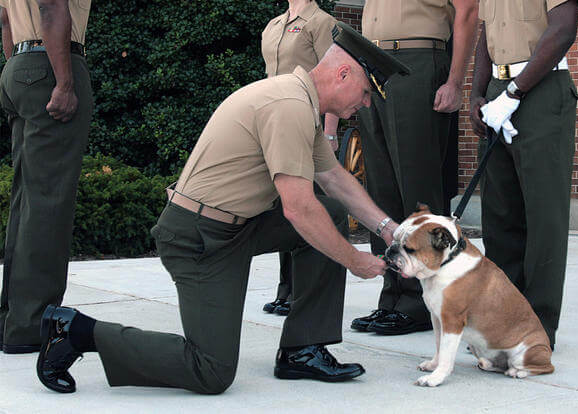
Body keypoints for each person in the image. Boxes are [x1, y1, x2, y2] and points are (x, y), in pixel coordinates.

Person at [36, 22, 410, 395]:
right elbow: (298, 209)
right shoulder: (289, 106)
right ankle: (75, 331)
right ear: (343, 73)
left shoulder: (299, 101)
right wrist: (354, 261)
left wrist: (389, 229)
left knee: (328, 212)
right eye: (365, 93)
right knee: (211, 370)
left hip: (237, 228)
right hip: (198, 239)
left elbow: (333, 178)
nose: (364, 104)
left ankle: (303, 349)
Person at [351, 0, 478, 335]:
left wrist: (455, 81)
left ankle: (420, 303)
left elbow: (468, 11)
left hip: (418, 61)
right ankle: (392, 295)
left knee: (416, 184)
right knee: (382, 187)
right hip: (373, 62)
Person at [469, 0, 578, 350]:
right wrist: (477, 92)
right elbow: (486, 38)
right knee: (500, 217)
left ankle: (537, 332)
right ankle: (502, 325)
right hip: (498, 92)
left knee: (543, 217)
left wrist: (515, 92)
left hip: (541, 89)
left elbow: (563, 29)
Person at [0, 0, 93, 354]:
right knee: (48, 203)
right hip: (51, 61)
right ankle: (31, 324)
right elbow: (52, 6)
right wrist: (65, 82)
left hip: (21, 65)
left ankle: (12, 318)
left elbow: (6, 19)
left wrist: (18, 71)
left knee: (26, 200)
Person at [260, 0, 340, 316]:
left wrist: (331, 132)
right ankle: (286, 289)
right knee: (285, 207)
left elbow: (335, 78)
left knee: (311, 208)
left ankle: (307, 292)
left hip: (309, 125)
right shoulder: (274, 25)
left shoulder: (321, 23)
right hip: (276, 126)